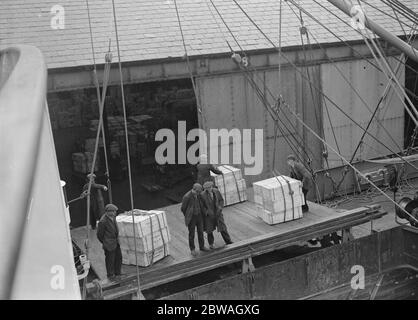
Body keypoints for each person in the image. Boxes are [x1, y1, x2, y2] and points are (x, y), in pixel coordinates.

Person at [200, 181, 233, 249]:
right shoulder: (202, 195)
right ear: (205, 188)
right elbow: (202, 206)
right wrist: (207, 212)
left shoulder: (216, 191)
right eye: (207, 188)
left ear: (212, 186)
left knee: (223, 227)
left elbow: (221, 200)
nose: (209, 189)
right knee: (209, 230)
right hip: (209, 215)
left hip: (218, 213)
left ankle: (228, 241)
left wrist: (220, 208)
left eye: (210, 187)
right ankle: (211, 244)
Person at [181, 183, 210, 257]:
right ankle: (192, 249)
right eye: (198, 192)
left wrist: (205, 210)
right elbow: (183, 208)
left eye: (199, 192)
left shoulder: (199, 195)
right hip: (192, 217)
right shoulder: (187, 197)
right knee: (192, 234)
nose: (199, 193)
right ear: (194, 190)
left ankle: (202, 246)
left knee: (200, 232)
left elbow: (203, 203)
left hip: (199, 216)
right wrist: (188, 215)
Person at [97, 204, 122, 280]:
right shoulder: (103, 221)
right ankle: (110, 275)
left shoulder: (113, 217)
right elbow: (99, 235)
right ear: (108, 212)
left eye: (115, 211)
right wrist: (105, 242)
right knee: (110, 260)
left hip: (115, 242)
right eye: (114, 211)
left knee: (119, 257)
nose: (115, 213)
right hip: (109, 244)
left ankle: (118, 273)